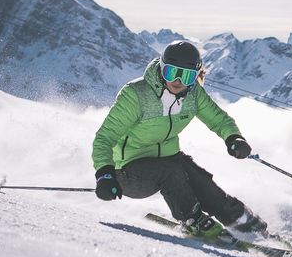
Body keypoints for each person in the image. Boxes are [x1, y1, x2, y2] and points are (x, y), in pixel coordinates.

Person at [91, 40, 266, 239]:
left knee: (203, 184)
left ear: (196, 76)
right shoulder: (136, 95)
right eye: (172, 73)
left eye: (187, 76)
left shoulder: (193, 95)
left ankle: (249, 228)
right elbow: (105, 137)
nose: (178, 81)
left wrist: (234, 138)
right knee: (171, 172)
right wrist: (104, 175)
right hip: (126, 172)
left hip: (168, 158)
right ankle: (193, 222)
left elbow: (219, 119)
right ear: (161, 69)